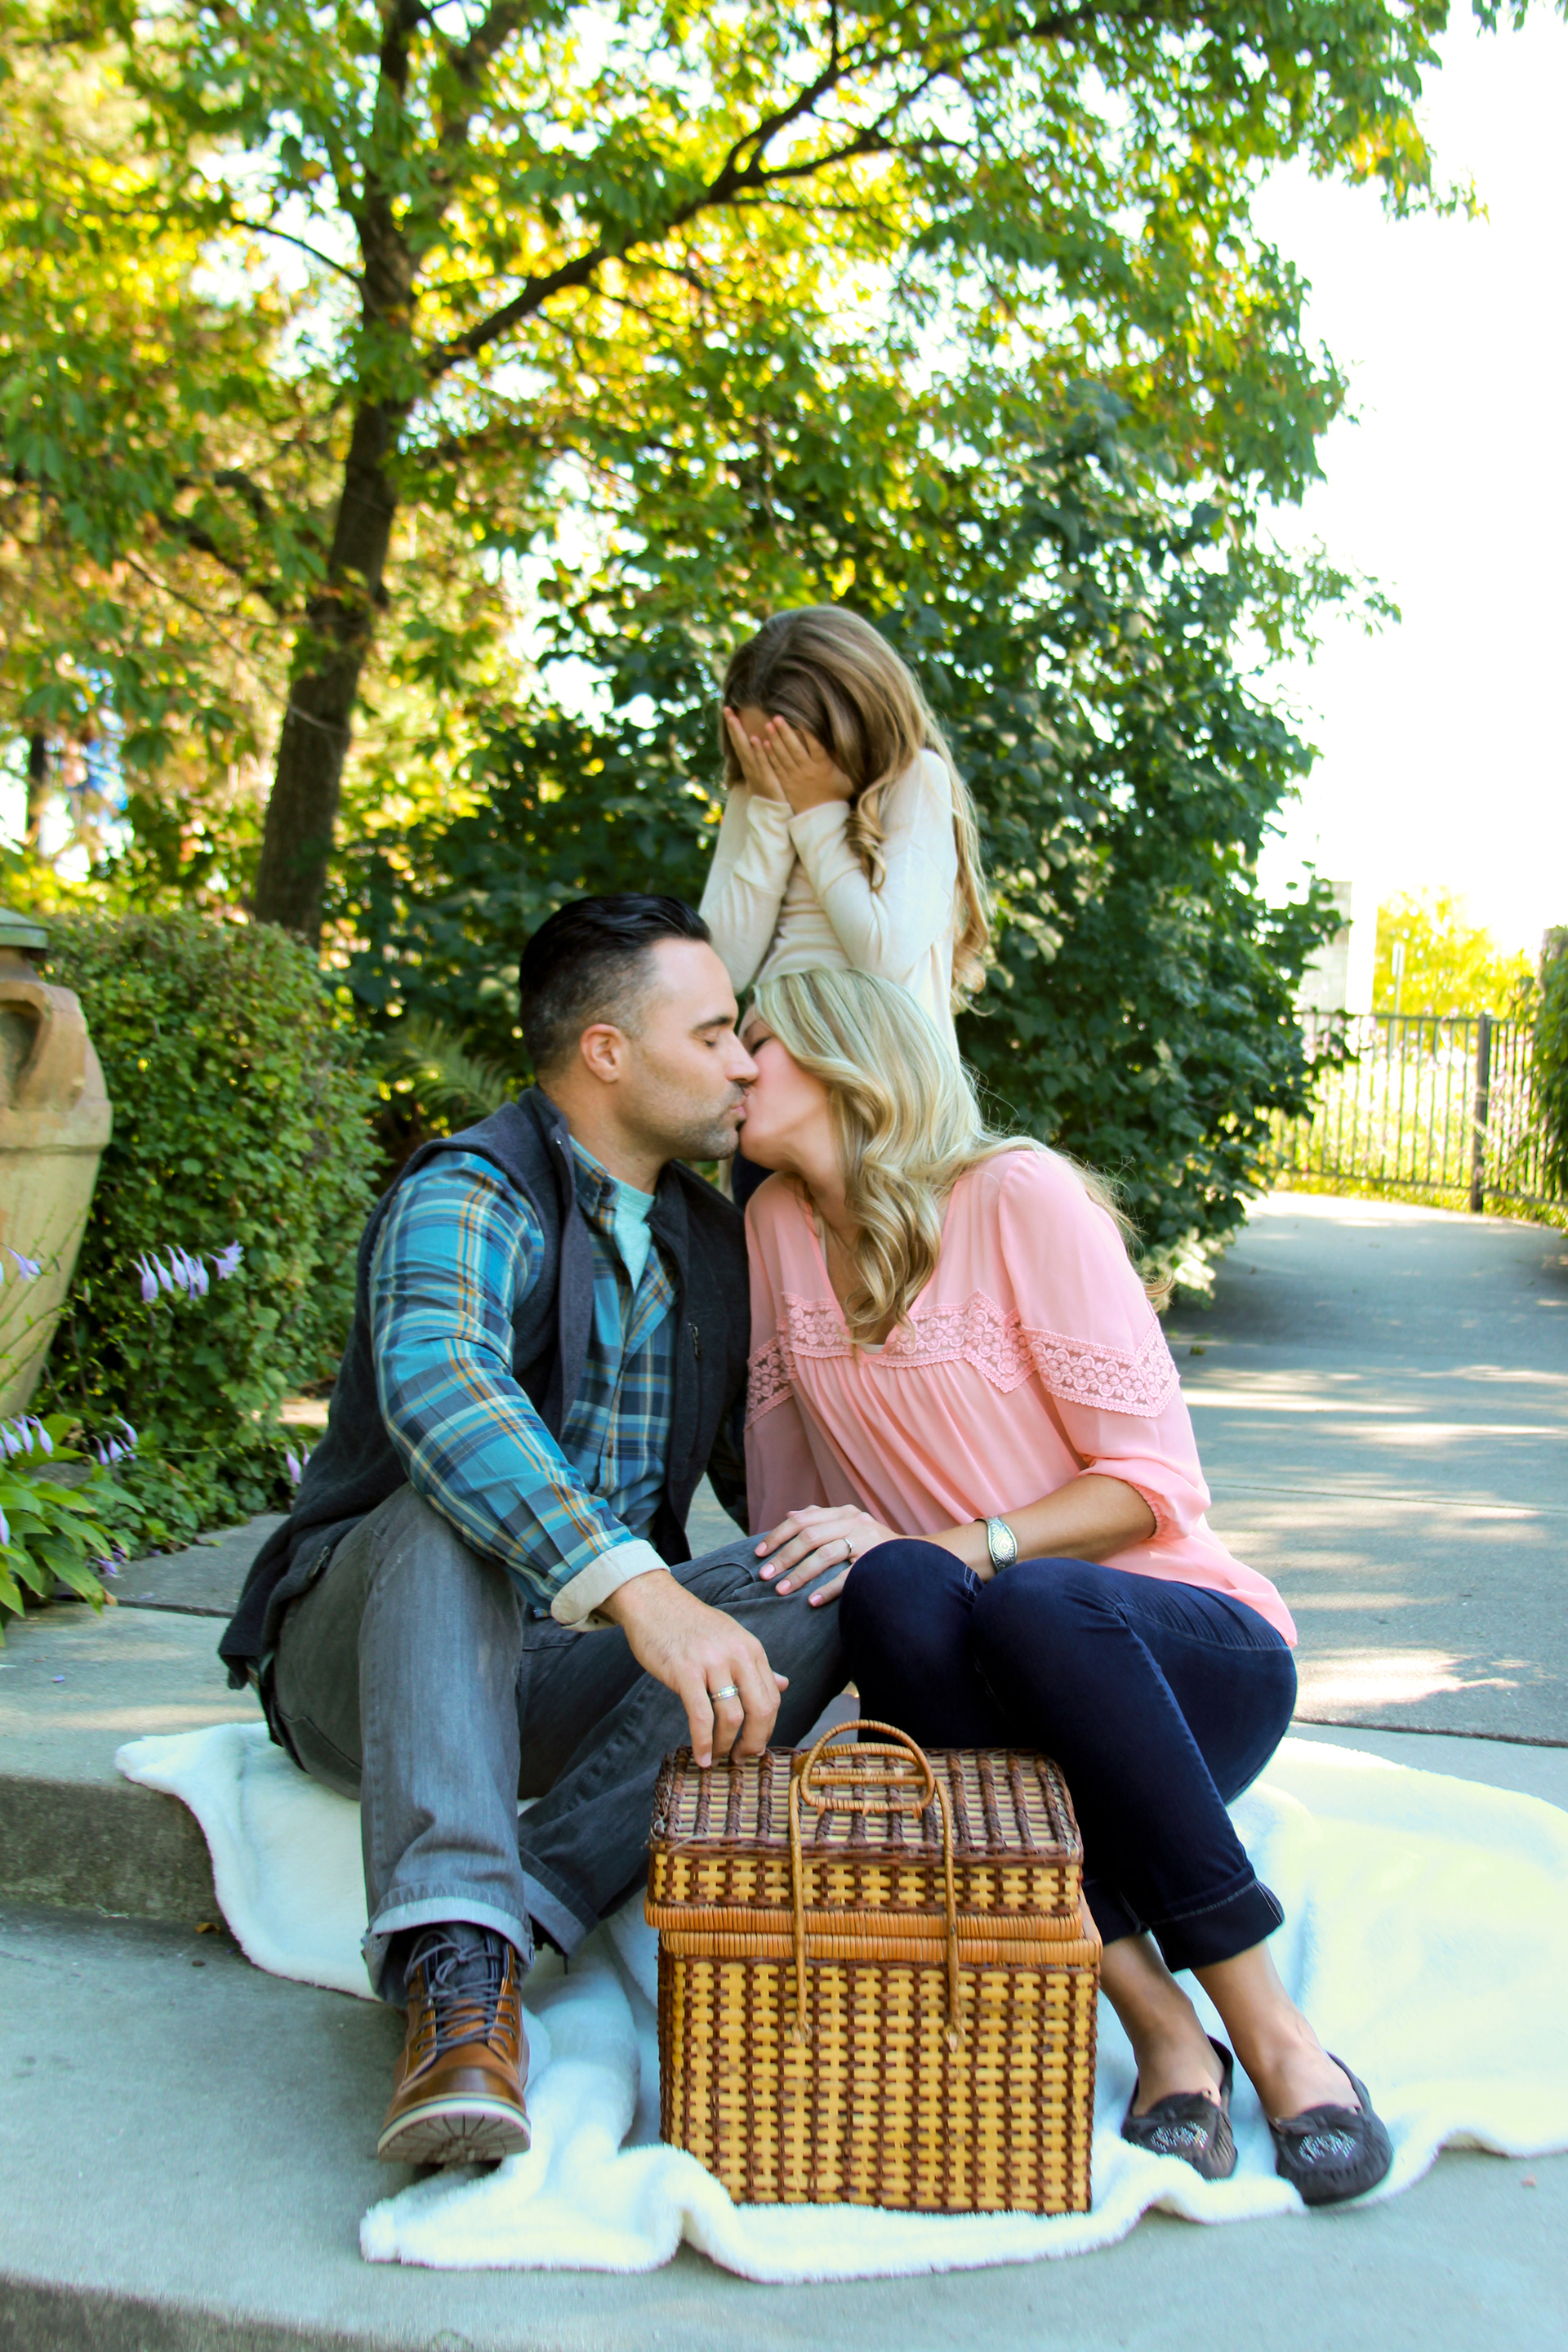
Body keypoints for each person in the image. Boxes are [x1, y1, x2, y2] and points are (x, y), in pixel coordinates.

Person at [736, 965, 1393, 2208]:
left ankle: (1273, 2032)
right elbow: (793, 1496)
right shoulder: (777, 1222)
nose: (730, 1065)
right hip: (988, 1682)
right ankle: (1161, 2027)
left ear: (838, 1055)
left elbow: (1153, 1486)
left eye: (753, 1040)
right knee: (892, 1589)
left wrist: (966, 1545)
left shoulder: (1015, 1195)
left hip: (1177, 1655)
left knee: (1020, 1596)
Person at [220, 897, 846, 2167]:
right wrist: (644, 1591)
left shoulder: (713, 1237)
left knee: (834, 1574)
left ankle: (524, 1910)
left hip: (555, 1673)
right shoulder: (471, 1189)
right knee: (448, 1514)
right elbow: (441, 1382)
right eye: (714, 1034)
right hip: (368, 1655)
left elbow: (771, 1487)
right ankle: (454, 1989)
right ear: (607, 1051)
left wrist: (920, 1549)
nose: (745, 1063)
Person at [699, 605, 990, 1205]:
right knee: (774, 1261)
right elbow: (721, 969)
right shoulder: (756, 798)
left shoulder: (917, 780)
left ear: (851, 727)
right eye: (759, 750)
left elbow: (882, 957)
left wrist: (818, 813)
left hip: (886, 1108)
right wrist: (771, 815)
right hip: (777, 1104)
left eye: (790, 750)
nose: (773, 766)